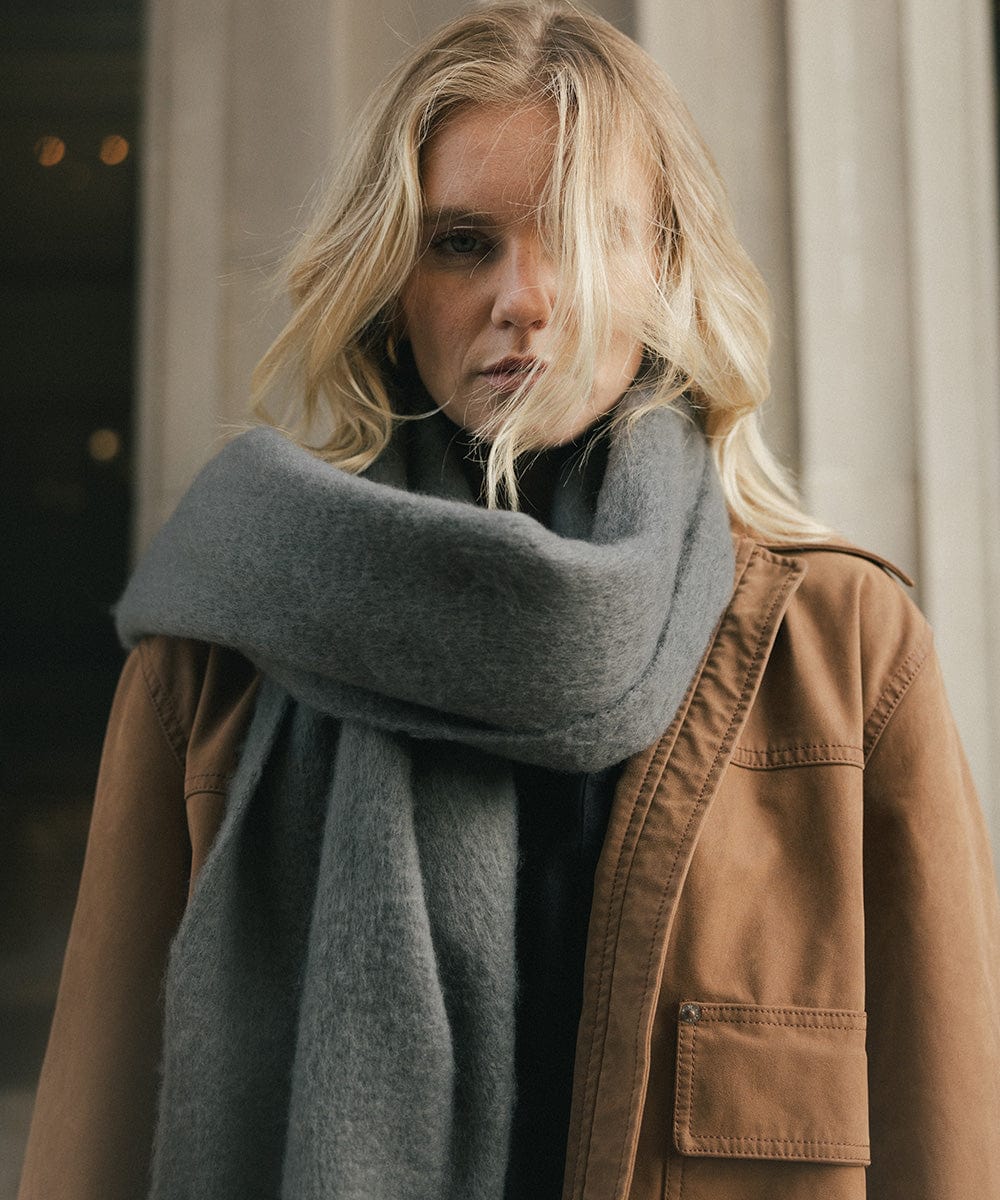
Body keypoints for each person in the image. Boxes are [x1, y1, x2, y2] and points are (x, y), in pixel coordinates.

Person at [18, 2, 1000, 1198]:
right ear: (389, 281)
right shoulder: (217, 658)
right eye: (463, 243)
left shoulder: (844, 649)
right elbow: (96, 1144)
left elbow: (948, 1147)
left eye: (581, 235)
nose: (523, 298)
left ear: (665, 265)